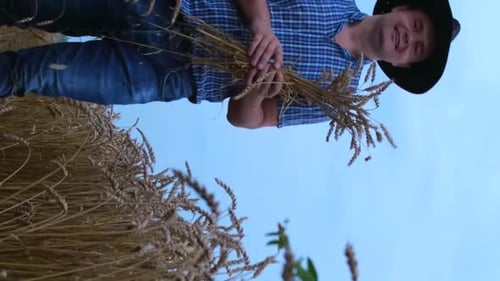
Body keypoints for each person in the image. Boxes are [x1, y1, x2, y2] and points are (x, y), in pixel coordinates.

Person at [0, 0, 460, 129]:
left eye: (417, 48)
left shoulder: (335, 99)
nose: (411, 37)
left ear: (402, 65)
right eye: (418, 24)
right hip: (160, 6)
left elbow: (248, 120)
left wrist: (256, 87)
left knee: (30, 74)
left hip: (166, 75)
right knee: (28, 4)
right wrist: (261, 24)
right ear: (402, 7)